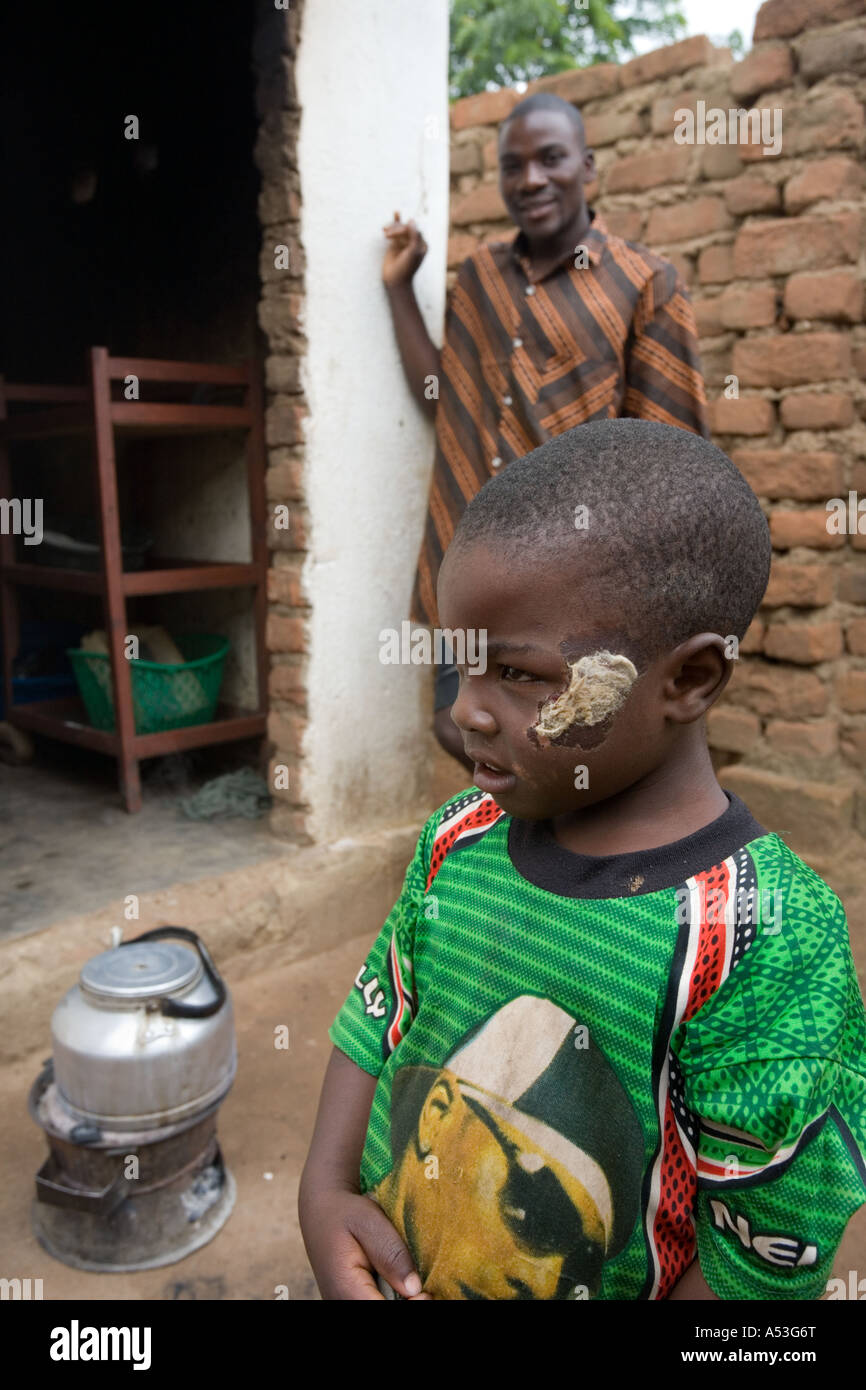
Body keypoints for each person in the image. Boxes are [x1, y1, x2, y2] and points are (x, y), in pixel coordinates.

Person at [298, 418, 866, 1301]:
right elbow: (380, 1007)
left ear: (689, 681)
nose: (468, 714)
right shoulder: (460, 834)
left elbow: (765, 1254)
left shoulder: (760, 933)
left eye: (520, 675)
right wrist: (325, 1196)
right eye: (460, 667)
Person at [382, 93, 709, 768]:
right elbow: (440, 394)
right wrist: (398, 290)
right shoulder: (478, 277)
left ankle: (564, 868)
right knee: (461, 726)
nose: (530, 179)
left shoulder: (644, 283)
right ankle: (535, 864)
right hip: (469, 557)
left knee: (560, 746)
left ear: (586, 165)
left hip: (572, 578)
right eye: (512, 165)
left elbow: (675, 461)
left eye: (550, 158)